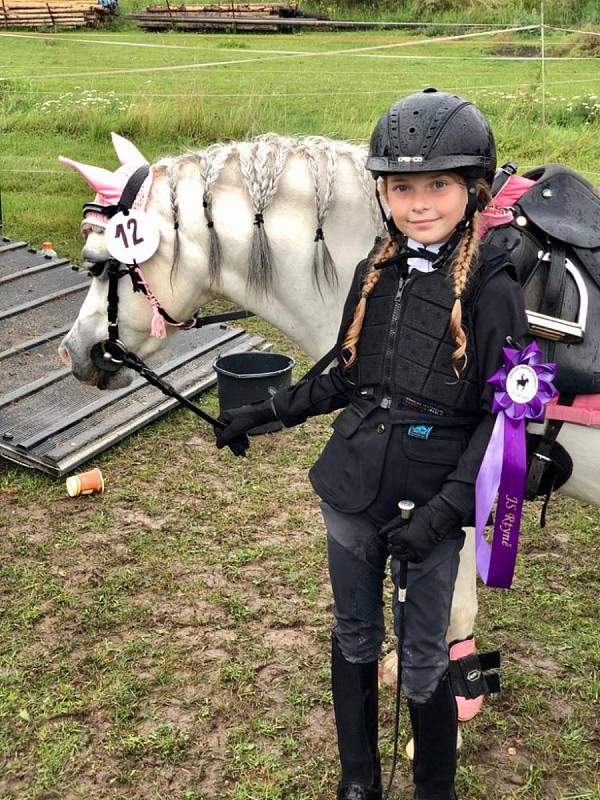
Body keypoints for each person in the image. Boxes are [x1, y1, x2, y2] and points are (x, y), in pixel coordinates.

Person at [215, 88, 529, 800]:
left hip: (432, 503)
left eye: (439, 186)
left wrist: (446, 513)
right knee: (354, 635)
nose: (420, 203)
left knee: (422, 659)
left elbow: (504, 416)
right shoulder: (375, 271)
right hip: (352, 491)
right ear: (384, 191)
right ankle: (358, 778)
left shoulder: (492, 285)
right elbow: (343, 379)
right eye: (402, 187)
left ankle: (433, 789)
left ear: (473, 190)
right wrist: (262, 414)